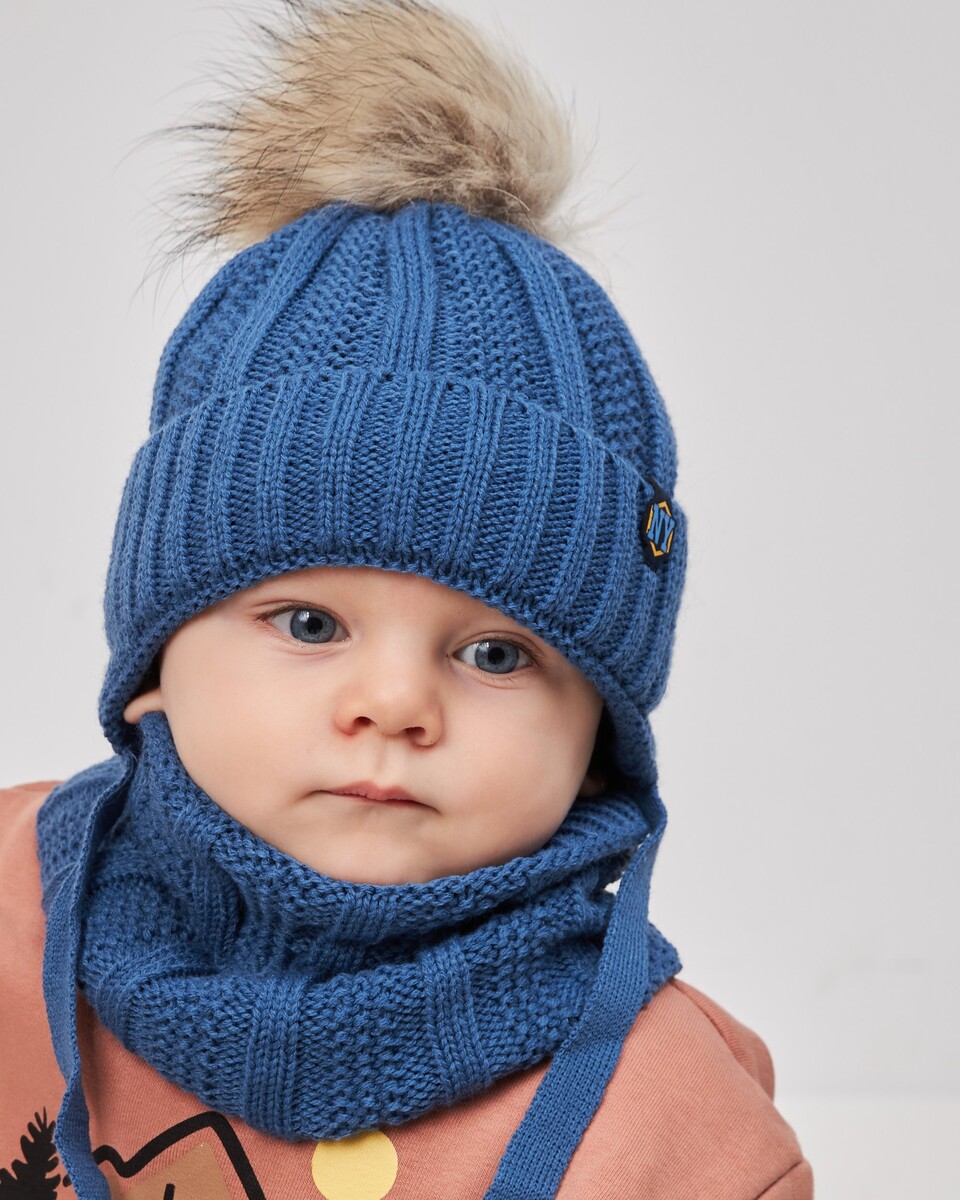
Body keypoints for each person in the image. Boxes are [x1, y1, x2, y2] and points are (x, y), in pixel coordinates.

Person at [0, 1, 814, 1196]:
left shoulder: (672, 1138)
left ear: (600, 740)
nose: (393, 704)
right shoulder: (14, 915)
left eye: (496, 654)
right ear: (152, 663)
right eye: (310, 624)